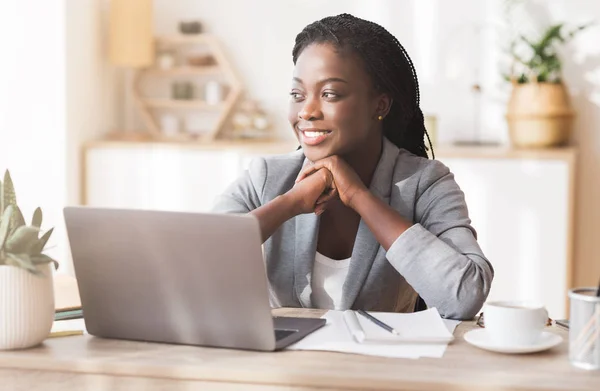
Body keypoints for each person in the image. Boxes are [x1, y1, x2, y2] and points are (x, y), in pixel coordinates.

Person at [213, 13, 493, 320]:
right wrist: (289, 203)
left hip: (381, 366)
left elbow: (465, 296)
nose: (306, 110)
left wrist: (360, 196)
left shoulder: (424, 183)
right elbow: (196, 265)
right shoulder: (265, 178)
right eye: (297, 94)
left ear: (380, 105)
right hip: (285, 365)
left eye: (330, 93)